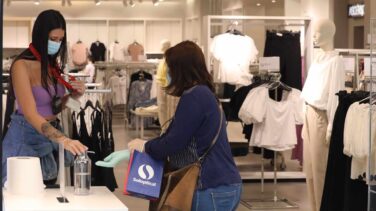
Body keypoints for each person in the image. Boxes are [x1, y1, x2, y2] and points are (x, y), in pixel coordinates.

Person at [97, 41, 242, 211]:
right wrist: (134, 151)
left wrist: (144, 146)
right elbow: (178, 137)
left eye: (170, 68)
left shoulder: (194, 96)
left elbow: (173, 142)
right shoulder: (203, 94)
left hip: (210, 185)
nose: (167, 73)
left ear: (180, 69)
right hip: (219, 184)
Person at [2, 10, 88, 186]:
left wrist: (74, 97)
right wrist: (63, 139)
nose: (57, 44)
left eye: (60, 40)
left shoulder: (50, 65)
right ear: (40, 36)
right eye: (53, 39)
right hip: (27, 137)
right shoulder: (21, 65)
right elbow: (31, 114)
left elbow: (54, 107)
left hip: (50, 136)